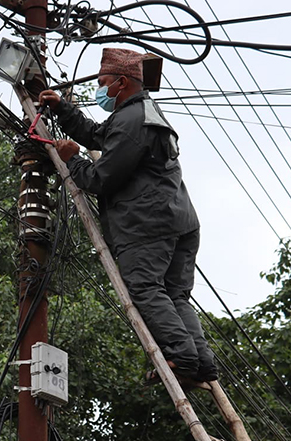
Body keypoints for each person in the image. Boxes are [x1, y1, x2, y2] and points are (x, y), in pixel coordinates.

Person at [38, 47, 218, 384]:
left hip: (147, 225)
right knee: (174, 295)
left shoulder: (132, 122)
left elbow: (100, 179)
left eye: (103, 81)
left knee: (147, 289)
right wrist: (64, 109)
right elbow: (98, 135)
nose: (100, 88)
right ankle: (200, 362)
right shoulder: (140, 113)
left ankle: (182, 358)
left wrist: (72, 159)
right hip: (179, 221)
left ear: (121, 82)